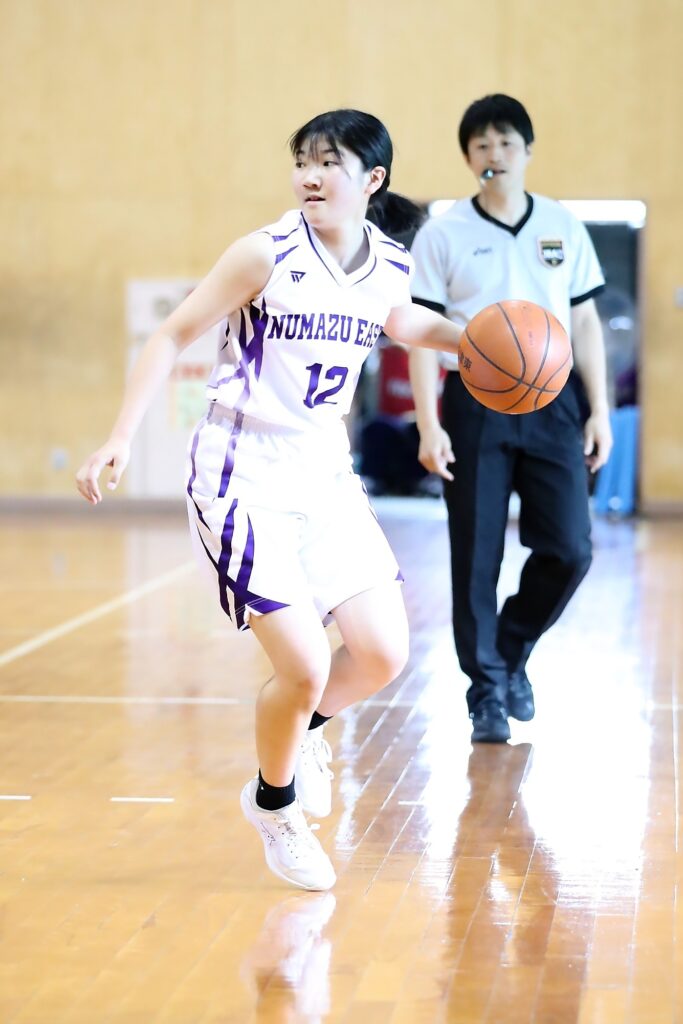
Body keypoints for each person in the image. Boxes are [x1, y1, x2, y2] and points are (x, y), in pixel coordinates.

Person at [75, 109, 461, 891]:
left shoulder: (389, 262)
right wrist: (119, 435)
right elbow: (172, 333)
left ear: (372, 179)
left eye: (328, 163)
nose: (309, 177)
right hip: (241, 470)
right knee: (306, 665)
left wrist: (471, 337)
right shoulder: (265, 253)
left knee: (383, 653)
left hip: (323, 471)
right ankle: (274, 806)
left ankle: (303, 729)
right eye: (301, 161)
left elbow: (400, 319)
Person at [408, 94, 613, 744]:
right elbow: (419, 333)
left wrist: (600, 410)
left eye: (505, 142)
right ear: (468, 158)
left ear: (526, 151)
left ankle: (511, 647)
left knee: (571, 549)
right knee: (476, 553)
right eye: (480, 145)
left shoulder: (561, 224)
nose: (493, 154)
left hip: (553, 400)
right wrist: (428, 424)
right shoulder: (442, 233)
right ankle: (487, 691)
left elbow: (584, 321)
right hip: (473, 402)